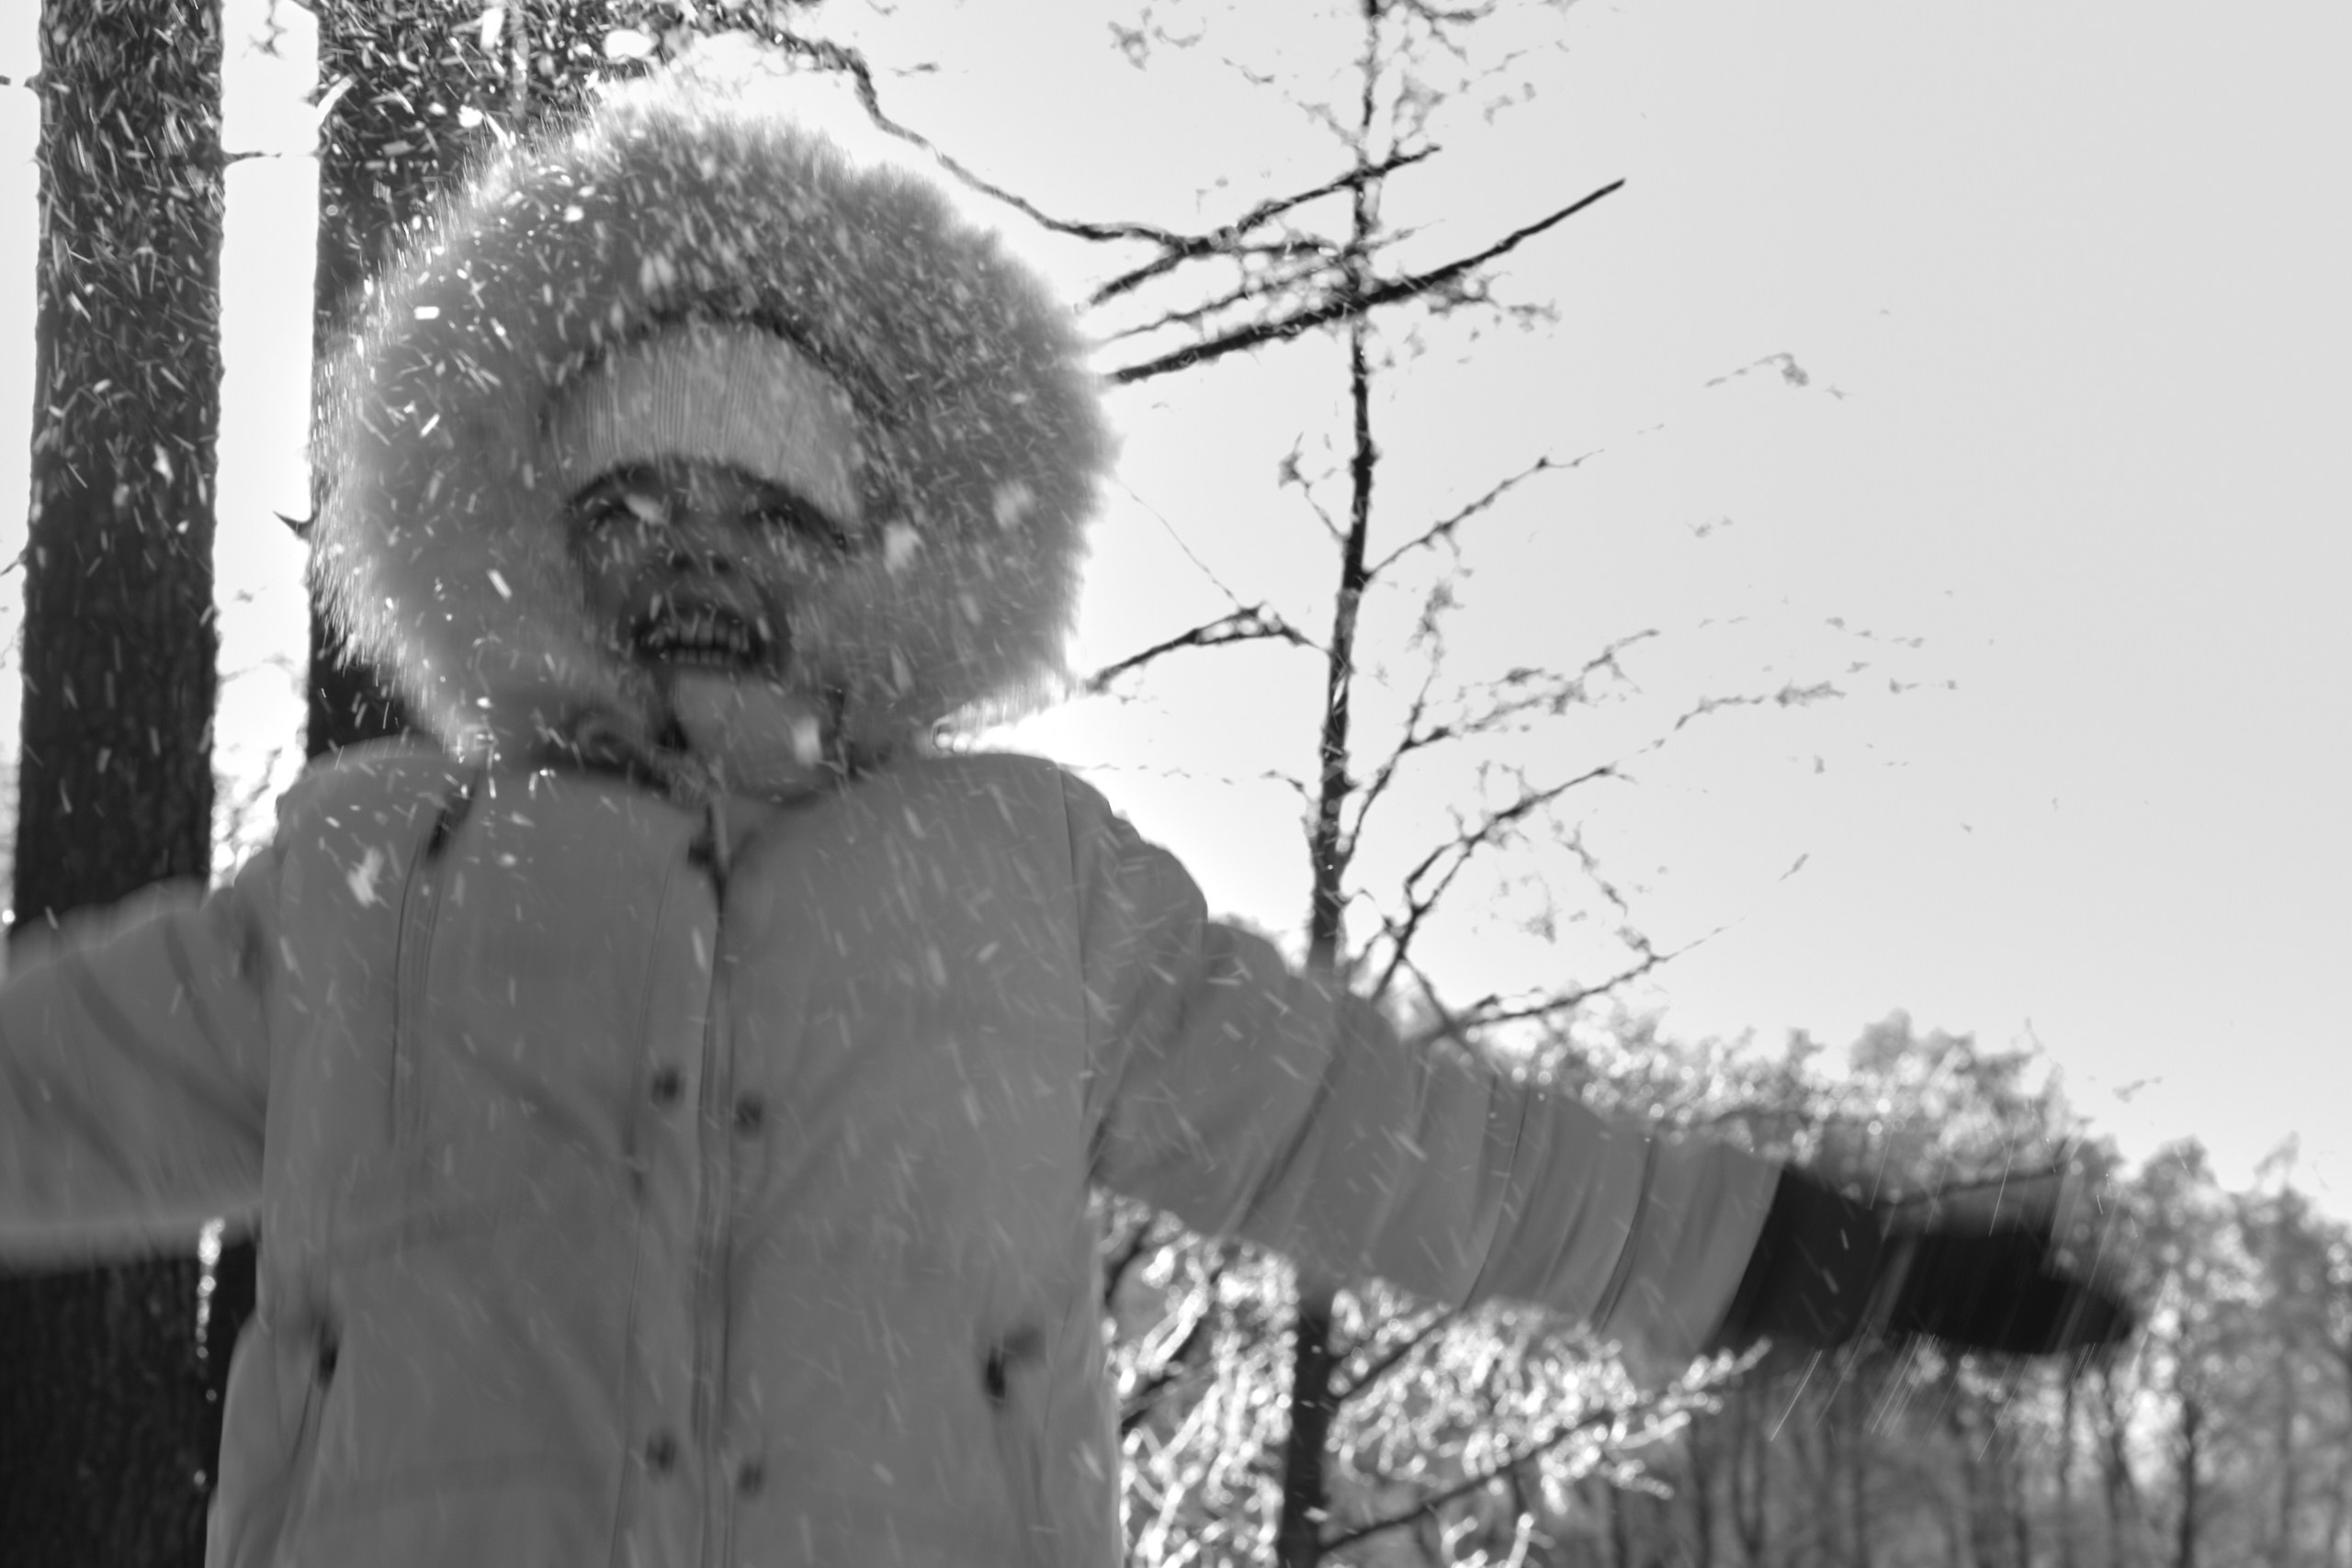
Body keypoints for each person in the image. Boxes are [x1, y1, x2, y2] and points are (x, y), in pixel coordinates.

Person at [0, 62, 2125, 1568]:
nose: (694, 552)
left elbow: (1401, 1142)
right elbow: (45, 1087)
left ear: (867, 554)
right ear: (538, 538)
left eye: (764, 506)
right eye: (631, 500)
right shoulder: (378, 875)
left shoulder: (1019, 879)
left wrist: (1802, 1256)